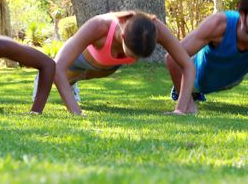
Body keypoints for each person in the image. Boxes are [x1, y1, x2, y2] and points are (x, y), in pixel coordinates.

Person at [34, 11, 196, 115]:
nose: (135, 61)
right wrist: (76, 111)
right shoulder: (99, 26)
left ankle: (72, 82)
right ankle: (44, 79)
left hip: (104, 67)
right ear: (123, 37)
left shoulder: (153, 29)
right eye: (132, 55)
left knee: (89, 74)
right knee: (58, 72)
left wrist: (180, 109)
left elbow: (187, 65)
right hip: (76, 61)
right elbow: (58, 66)